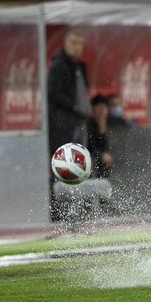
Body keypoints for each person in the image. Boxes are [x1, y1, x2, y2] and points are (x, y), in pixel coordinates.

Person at [47, 28, 91, 221]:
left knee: (80, 163)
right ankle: (59, 210)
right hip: (62, 123)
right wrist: (72, 106)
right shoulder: (58, 65)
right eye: (73, 42)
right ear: (65, 44)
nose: (76, 47)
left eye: (79, 43)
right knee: (62, 164)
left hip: (78, 120)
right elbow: (52, 92)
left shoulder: (80, 66)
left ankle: (78, 207)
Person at [87, 94, 113, 179]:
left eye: (103, 108)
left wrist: (103, 130)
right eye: (98, 108)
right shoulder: (87, 126)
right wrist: (101, 155)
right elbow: (90, 148)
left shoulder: (113, 124)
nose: (101, 112)